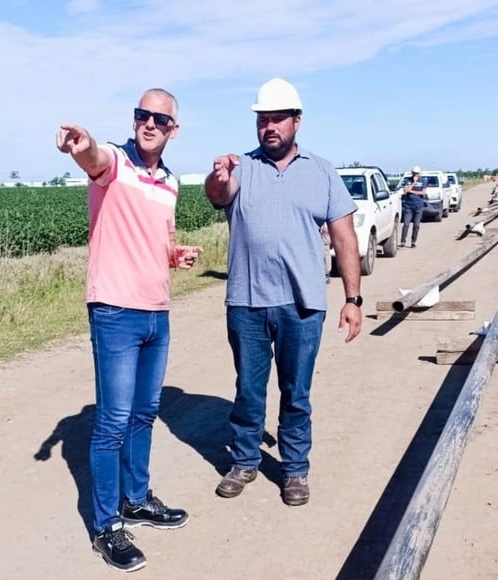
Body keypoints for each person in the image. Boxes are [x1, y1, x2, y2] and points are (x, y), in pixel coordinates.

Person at [55, 88, 201, 573]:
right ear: (135, 119)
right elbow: (94, 158)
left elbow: (163, 241)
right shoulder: (115, 163)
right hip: (115, 311)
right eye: (144, 115)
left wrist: (176, 256)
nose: (151, 123)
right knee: (113, 421)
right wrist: (84, 145)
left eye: (161, 118)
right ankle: (105, 526)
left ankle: (136, 499)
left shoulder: (169, 183)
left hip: (157, 311)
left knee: (145, 413)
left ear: (173, 129)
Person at [204, 78, 363, 507]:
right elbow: (217, 195)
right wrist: (217, 176)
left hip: (303, 304)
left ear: (297, 121)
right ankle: (244, 460)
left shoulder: (322, 171)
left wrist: (353, 299)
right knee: (249, 389)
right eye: (262, 120)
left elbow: (345, 238)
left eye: (277, 119)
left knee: (296, 392)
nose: (269, 126)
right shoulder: (240, 168)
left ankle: (294, 469)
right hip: (247, 301)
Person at [400, 165, 426, 248]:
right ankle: (403, 241)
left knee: (416, 224)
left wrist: (412, 191)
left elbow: (423, 192)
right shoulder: (408, 180)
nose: (415, 175)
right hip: (408, 205)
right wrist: (413, 183)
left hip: (418, 205)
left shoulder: (423, 181)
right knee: (406, 224)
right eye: (414, 173)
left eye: (417, 174)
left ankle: (413, 241)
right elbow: (405, 191)